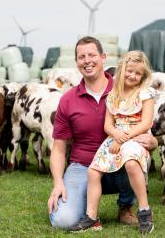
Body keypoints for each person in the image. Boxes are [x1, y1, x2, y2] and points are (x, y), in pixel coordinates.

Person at [47, 37, 157, 230]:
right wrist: (58, 183)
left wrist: (153, 142)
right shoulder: (68, 100)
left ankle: (126, 206)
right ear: (76, 63)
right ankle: (90, 214)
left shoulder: (126, 89)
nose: (87, 61)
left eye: (92, 55)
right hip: (82, 166)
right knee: (62, 220)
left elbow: (146, 126)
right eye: (82, 57)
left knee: (132, 162)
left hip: (120, 159)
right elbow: (58, 148)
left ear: (103, 57)